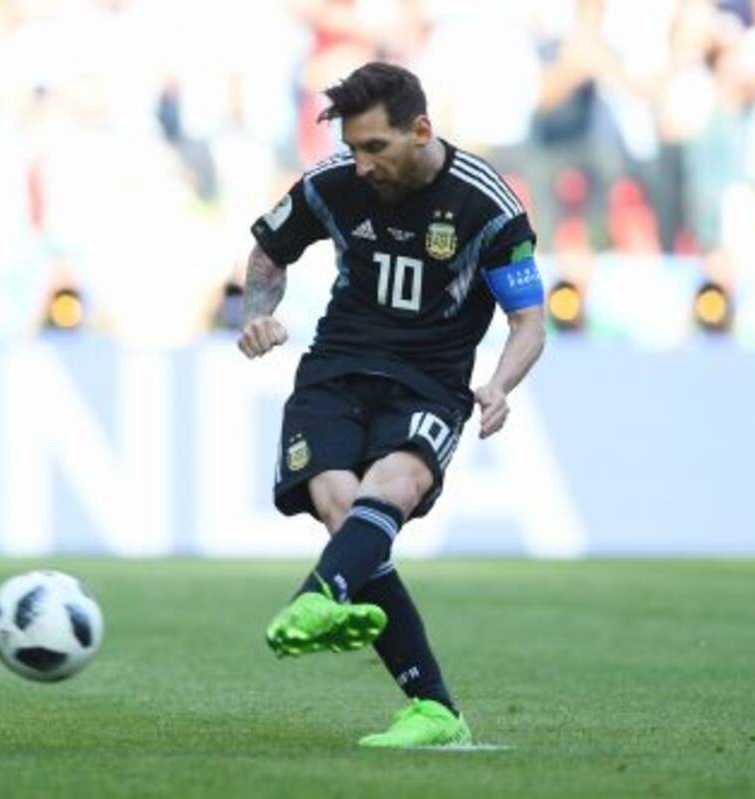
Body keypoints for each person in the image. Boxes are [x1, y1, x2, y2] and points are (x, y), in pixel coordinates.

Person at [239, 62, 546, 749]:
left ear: (421, 130)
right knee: (341, 509)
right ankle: (435, 710)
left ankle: (316, 597)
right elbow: (268, 252)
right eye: (353, 148)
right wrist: (258, 313)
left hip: (430, 380)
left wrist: (499, 384)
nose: (363, 164)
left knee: (395, 486)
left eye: (375, 147)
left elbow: (529, 321)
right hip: (337, 366)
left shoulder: (486, 204)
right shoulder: (334, 183)